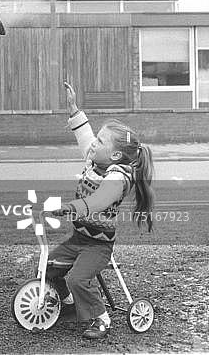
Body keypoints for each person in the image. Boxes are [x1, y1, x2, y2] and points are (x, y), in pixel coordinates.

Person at [47, 81, 155, 339]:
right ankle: (70, 304)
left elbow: (99, 201)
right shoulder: (95, 160)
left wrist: (72, 208)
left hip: (98, 245)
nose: (94, 143)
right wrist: (74, 110)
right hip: (79, 239)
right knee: (49, 268)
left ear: (116, 156)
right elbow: (85, 138)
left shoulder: (118, 178)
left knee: (77, 279)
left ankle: (100, 319)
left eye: (101, 141)